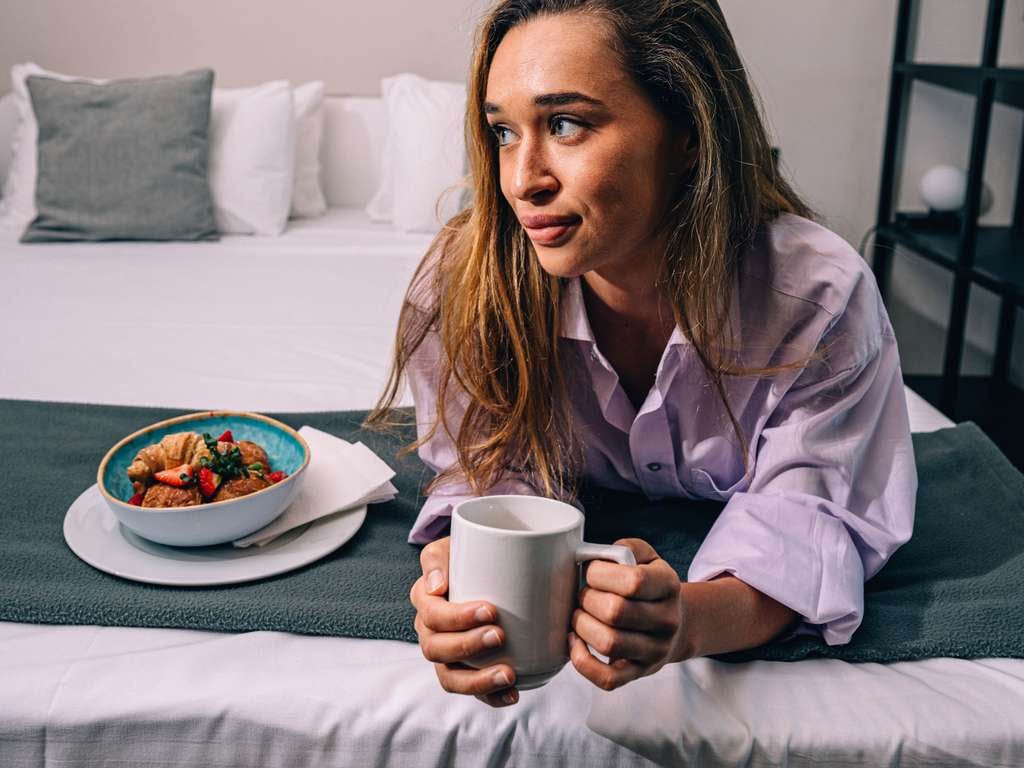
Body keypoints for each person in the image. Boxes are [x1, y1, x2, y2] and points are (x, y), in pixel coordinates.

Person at [365, 0, 917, 708]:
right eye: (503, 132)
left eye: (565, 124)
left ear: (687, 131)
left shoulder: (816, 297)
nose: (520, 179)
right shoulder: (466, 287)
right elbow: (486, 473)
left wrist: (686, 621)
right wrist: (462, 571)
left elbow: (810, 523)